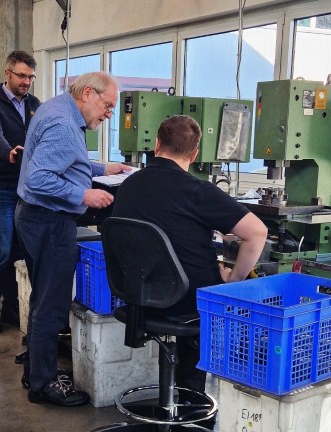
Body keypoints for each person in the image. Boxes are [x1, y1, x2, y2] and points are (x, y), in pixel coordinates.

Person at [112, 115, 267, 400]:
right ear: (194, 155)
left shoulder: (128, 186)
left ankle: (179, 401)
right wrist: (233, 279)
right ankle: (191, 403)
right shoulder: (198, 191)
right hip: (187, 304)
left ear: (156, 144)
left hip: (135, 296)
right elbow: (257, 233)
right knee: (234, 298)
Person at [15, 71, 130, 406]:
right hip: (49, 221)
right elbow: (38, 178)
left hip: (35, 217)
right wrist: (84, 194)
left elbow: (64, 160)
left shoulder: (58, 108)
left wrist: (101, 169)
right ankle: (44, 385)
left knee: (42, 298)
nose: (109, 114)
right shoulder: (65, 125)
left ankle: (36, 371)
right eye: (107, 106)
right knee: (52, 304)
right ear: (88, 93)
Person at [0, 50, 41, 333]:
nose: (26, 82)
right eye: (21, 76)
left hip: (28, 187)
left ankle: (12, 307)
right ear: (7, 73)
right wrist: (9, 153)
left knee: (19, 251)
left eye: (30, 77)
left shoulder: (35, 104)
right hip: (3, 185)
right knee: (2, 250)